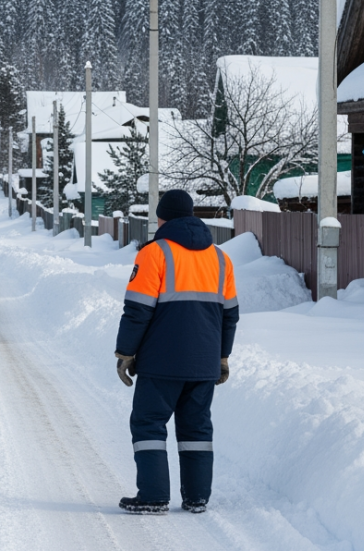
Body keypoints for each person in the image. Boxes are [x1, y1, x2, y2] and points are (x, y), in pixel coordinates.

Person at [113, 189, 239, 515]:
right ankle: (197, 498)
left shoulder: (155, 253)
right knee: (196, 429)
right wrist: (222, 356)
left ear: (162, 218)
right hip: (204, 363)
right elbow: (230, 314)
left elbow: (137, 310)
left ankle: (154, 496)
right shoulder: (221, 258)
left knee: (149, 424)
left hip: (161, 362)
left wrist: (126, 352)